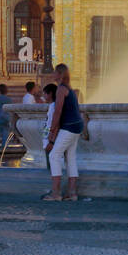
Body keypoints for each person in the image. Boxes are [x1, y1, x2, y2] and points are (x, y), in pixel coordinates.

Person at [43, 64, 83, 202]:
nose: (52, 74)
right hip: (77, 126)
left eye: (55, 72)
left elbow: (58, 112)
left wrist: (51, 135)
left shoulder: (60, 89)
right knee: (70, 157)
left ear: (59, 74)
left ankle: (56, 193)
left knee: (54, 155)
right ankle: (72, 193)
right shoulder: (69, 89)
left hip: (69, 126)